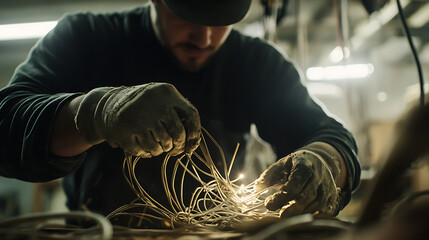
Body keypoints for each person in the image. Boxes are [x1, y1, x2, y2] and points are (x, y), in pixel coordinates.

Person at [0, 0, 360, 226]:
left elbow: (330, 136)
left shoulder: (255, 63)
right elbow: (6, 122)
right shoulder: (84, 39)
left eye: (220, 19)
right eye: (187, 12)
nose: (204, 38)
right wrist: (95, 112)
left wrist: (325, 162)